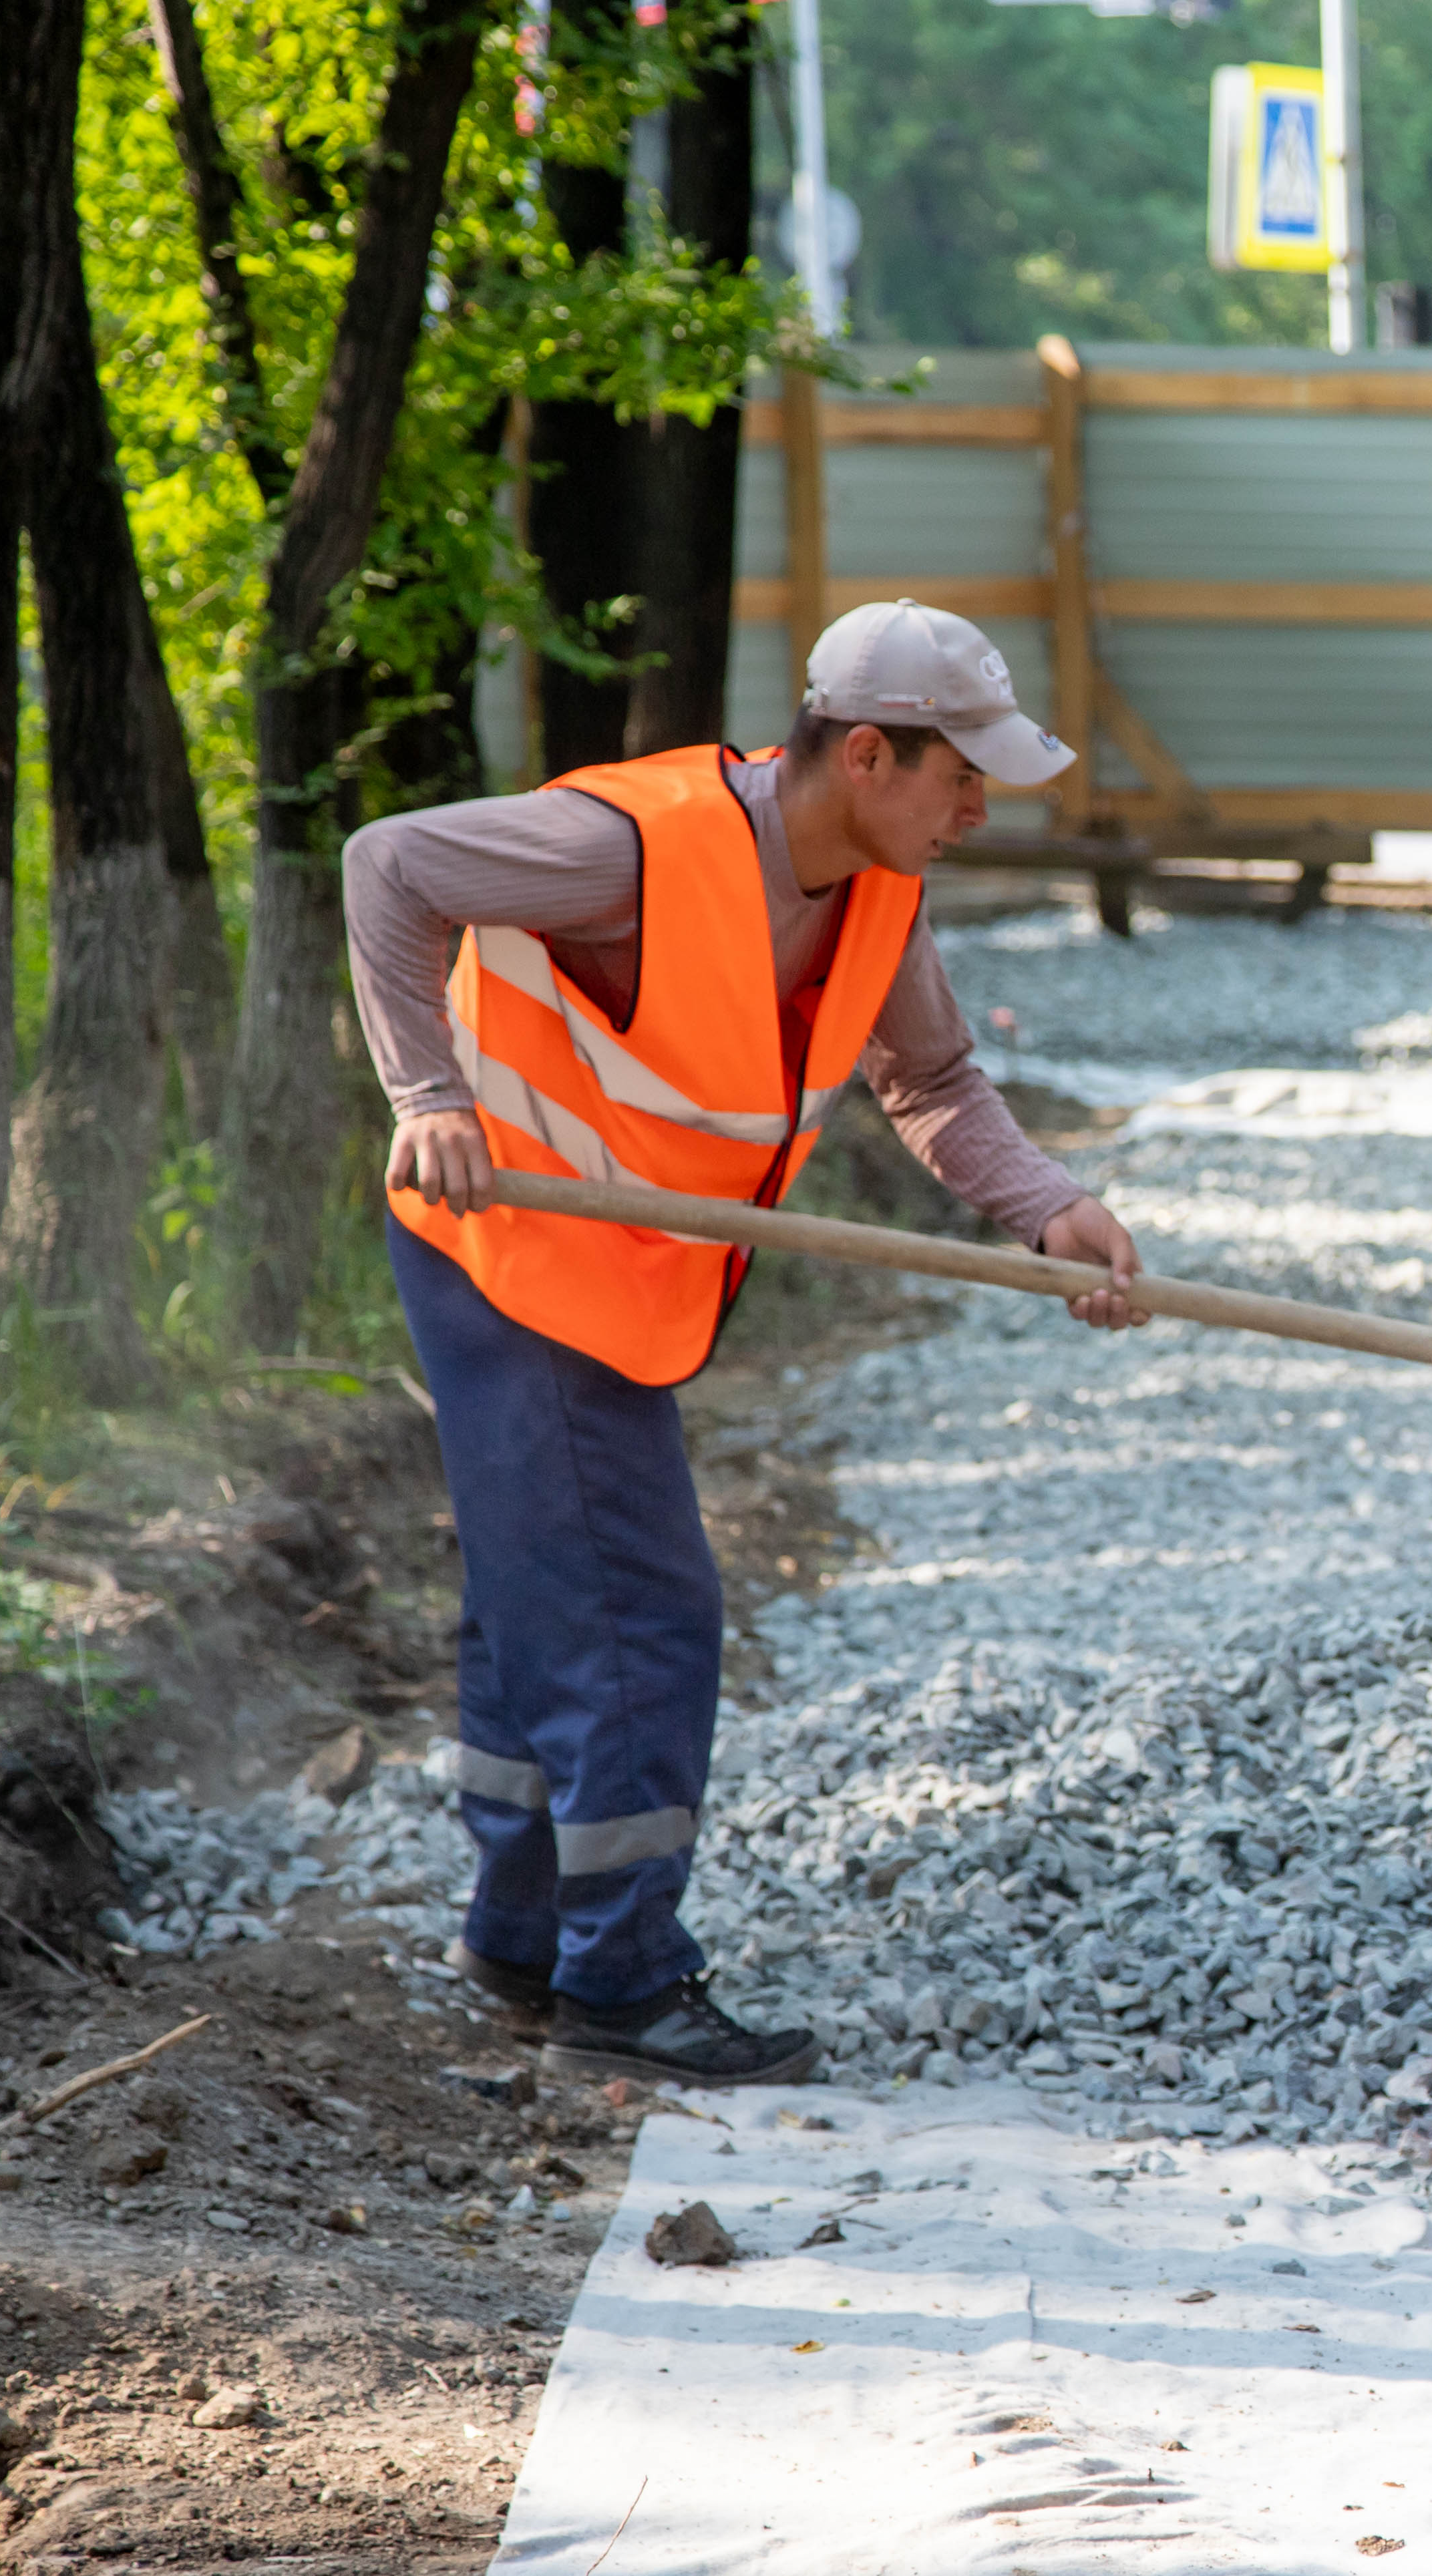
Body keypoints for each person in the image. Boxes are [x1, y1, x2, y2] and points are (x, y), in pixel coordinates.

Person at [350, 600, 1151, 2087]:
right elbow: (388, 864)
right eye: (960, 774)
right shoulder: (632, 849)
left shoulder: (880, 888)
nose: (981, 806)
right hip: (511, 1252)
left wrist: (1051, 1211)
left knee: (543, 1597)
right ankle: (623, 1984)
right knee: (640, 1612)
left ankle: (522, 1938)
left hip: (635, 1275)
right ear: (864, 751)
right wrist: (428, 1097)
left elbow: (935, 1083)